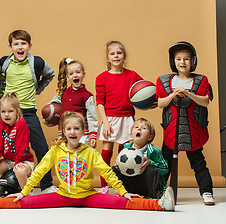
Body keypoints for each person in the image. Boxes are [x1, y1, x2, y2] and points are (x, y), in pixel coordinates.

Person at [0, 111, 175, 212]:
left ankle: (160, 204)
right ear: (63, 131)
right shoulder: (55, 151)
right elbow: (39, 172)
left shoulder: (90, 153)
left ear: (82, 132)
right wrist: (25, 191)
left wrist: (122, 191)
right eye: (69, 129)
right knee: (23, 202)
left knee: (125, 202)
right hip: (62, 196)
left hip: (88, 196)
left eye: (77, 129)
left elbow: (107, 172)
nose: (72, 132)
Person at [0, 30, 57, 194]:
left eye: (23, 44)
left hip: (28, 113)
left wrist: (37, 89)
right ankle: (13, 184)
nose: (20, 47)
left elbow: (50, 74)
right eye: (16, 44)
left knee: (42, 150)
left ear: (29, 46)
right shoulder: (5, 62)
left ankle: (46, 185)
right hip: (9, 114)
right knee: (8, 146)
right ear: (10, 47)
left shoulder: (37, 62)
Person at [156, 41, 215, 205]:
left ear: (193, 61)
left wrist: (188, 93)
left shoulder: (200, 80)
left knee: (198, 162)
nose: (182, 62)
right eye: (179, 59)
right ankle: (160, 191)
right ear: (173, 62)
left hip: (193, 130)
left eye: (186, 59)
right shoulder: (165, 81)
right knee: (165, 162)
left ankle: (207, 192)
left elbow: (205, 102)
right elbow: (161, 103)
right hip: (172, 130)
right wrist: (173, 95)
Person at [95, 41, 145, 194]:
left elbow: (144, 91)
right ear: (108, 58)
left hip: (127, 118)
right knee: (106, 152)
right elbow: (100, 102)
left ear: (124, 56)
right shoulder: (102, 78)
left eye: (119, 53)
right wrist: (105, 122)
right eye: (112, 53)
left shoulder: (132, 75)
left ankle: (121, 186)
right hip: (110, 118)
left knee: (125, 155)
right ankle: (104, 186)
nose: (116, 56)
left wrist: (151, 101)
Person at [0, 93, 34, 198]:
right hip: (9, 161)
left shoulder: (21, 123)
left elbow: (22, 146)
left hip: (24, 160)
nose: (6, 115)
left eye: (10, 111)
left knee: (19, 171)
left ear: (17, 112)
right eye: (3, 112)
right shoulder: (0, 124)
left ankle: (27, 195)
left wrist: (18, 162)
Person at [44, 58, 98, 148]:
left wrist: (93, 135)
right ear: (67, 77)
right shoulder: (63, 92)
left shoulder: (87, 96)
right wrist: (47, 117)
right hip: (65, 132)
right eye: (71, 73)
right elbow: (52, 105)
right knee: (65, 157)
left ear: (83, 74)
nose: (75, 75)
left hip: (82, 134)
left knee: (82, 157)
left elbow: (92, 117)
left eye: (78, 72)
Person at [112, 118, 169, 199]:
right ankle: (123, 193)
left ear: (150, 137)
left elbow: (165, 169)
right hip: (131, 183)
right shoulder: (125, 149)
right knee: (114, 169)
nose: (139, 128)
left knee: (151, 169)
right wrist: (118, 166)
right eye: (136, 127)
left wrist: (151, 162)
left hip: (146, 185)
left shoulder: (154, 151)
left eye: (144, 128)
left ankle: (152, 196)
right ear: (131, 135)